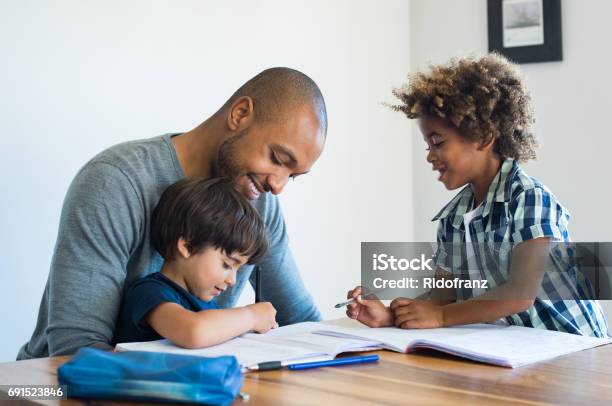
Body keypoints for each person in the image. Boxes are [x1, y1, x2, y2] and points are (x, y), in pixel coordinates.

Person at [19, 67, 327, 359]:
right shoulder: (115, 182)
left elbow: (302, 321)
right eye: (277, 158)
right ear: (240, 114)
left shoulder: (259, 203)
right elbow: (75, 350)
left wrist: (372, 321)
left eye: (293, 175)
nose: (278, 185)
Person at [346, 53, 609, 337]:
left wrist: (442, 316)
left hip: (575, 350)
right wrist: (391, 317)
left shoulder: (529, 198)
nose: (430, 157)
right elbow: (443, 294)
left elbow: (521, 293)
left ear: (484, 136)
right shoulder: (453, 219)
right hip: (519, 352)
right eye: (427, 146)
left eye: (437, 142)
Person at [114, 177, 276, 347]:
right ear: (188, 246)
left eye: (238, 269)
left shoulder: (206, 304)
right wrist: (251, 316)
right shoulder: (150, 293)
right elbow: (193, 332)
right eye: (227, 265)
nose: (232, 280)